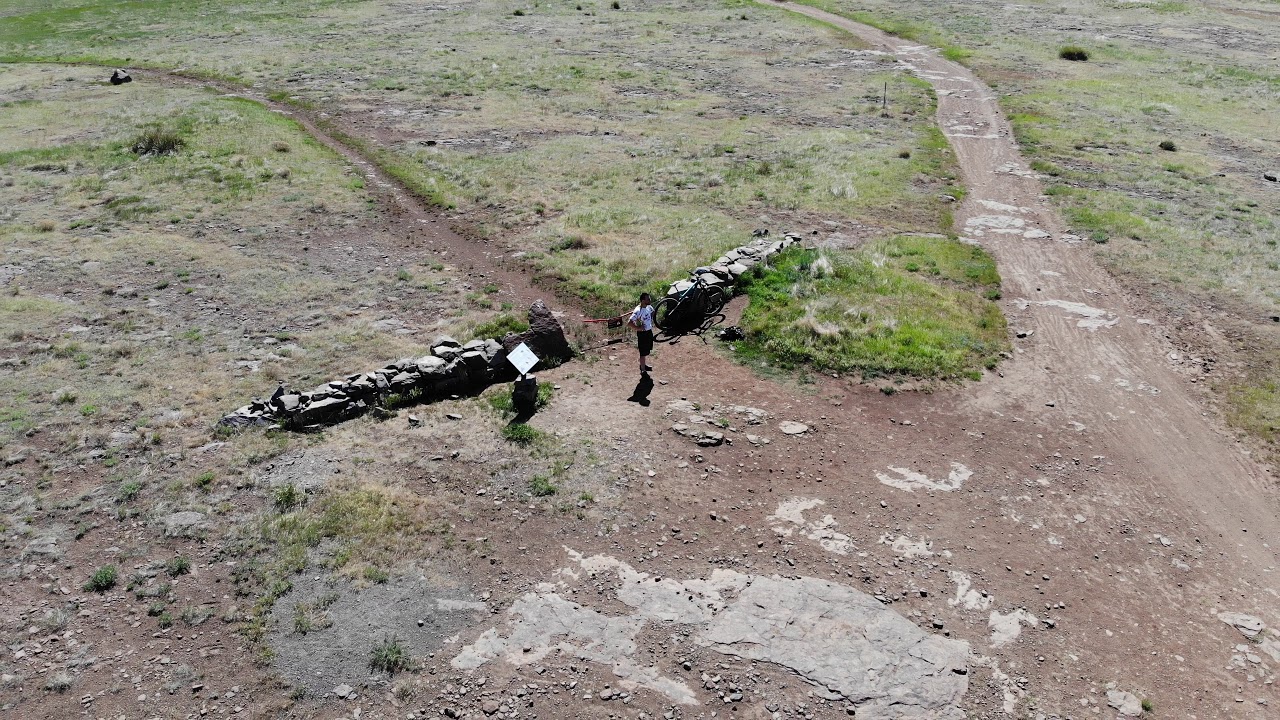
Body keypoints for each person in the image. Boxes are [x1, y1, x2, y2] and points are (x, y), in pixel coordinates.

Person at [627, 292, 655, 375]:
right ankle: (643, 369)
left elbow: (653, 312)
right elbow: (629, 322)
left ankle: (644, 365)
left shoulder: (649, 307)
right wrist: (638, 328)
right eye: (648, 299)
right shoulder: (638, 311)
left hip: (649, 331)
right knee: (642, 352)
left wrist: (650, 321)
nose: (650, 300)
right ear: (643, 300)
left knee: (647, 350)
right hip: (642, 334)